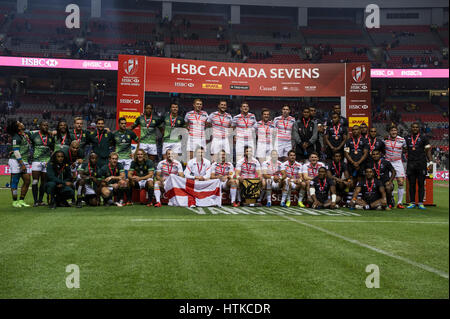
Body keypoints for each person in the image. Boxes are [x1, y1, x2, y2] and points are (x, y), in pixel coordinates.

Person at [404, 122, 432, 210]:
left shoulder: (424, 138)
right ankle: (412, 202)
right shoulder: (406, 138)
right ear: (411, 128)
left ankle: (420, 203)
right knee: (411, 184)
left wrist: (430, 162)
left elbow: (428, 151)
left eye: (416, 127)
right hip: (411, 164)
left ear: (419, 128)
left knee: (421, 184)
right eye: (413, 127)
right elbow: (402, 147)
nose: (415, 128)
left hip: (421, 163)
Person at [7, 120, 32, 207]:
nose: (22, 123)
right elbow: (16, 152)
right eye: (19, 123)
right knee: (15, 181)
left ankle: (21, 200)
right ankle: (14, 201)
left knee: (27, 181)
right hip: (16, 161)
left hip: (24, 160)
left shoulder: (24, 134)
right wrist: (22, 164)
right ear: (18, 127)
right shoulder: (16, 137)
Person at [31, 121, 55, 206]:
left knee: (44, 182)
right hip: (36, 161)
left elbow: (53, 149)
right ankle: (35, 201)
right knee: (35, 181)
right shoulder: (34, 135)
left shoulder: (51, 137)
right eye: (44, 125)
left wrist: (50, 159)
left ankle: (40, 200)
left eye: (47, 125)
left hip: (46, 161)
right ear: (40, 126)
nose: (45, 127)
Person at [384, 126, 406, 209]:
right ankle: (391, 199)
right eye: (392, 130)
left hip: (397, 162)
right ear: (389, 132)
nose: (394, 132)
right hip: (388, 162)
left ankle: (399, 203)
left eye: (395, 130)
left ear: (397, 132)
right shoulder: (385, 140)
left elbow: (406, 148)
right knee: (388, 183)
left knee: (400, 182)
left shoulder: (402, 140)